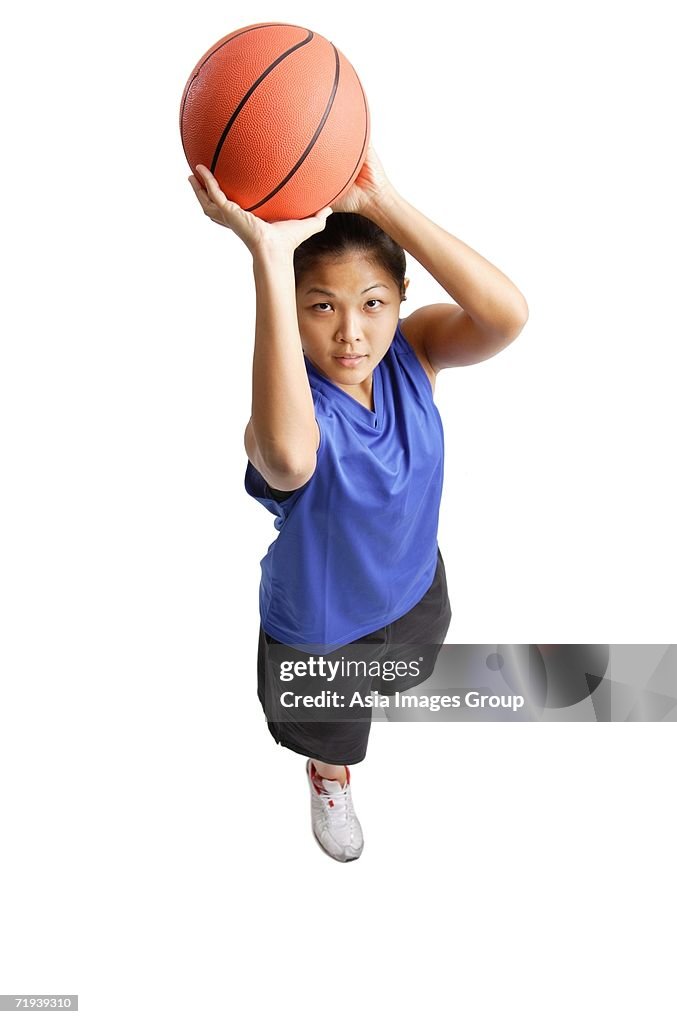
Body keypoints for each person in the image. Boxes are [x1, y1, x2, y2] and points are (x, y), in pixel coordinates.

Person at [188, 144, 528, 862]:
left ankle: (369, 704)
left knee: (407, 670)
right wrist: (267, 259)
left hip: (412, 589)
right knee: (335, 731)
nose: (351, 332)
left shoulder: (415, 350)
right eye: (320, 307)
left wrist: (381, 203)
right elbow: (284, 460)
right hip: (321, 628)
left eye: (372, 304)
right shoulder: (290, 412)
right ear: (292, 309)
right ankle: (328, 775)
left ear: (400, 300)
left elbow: (506, 315)